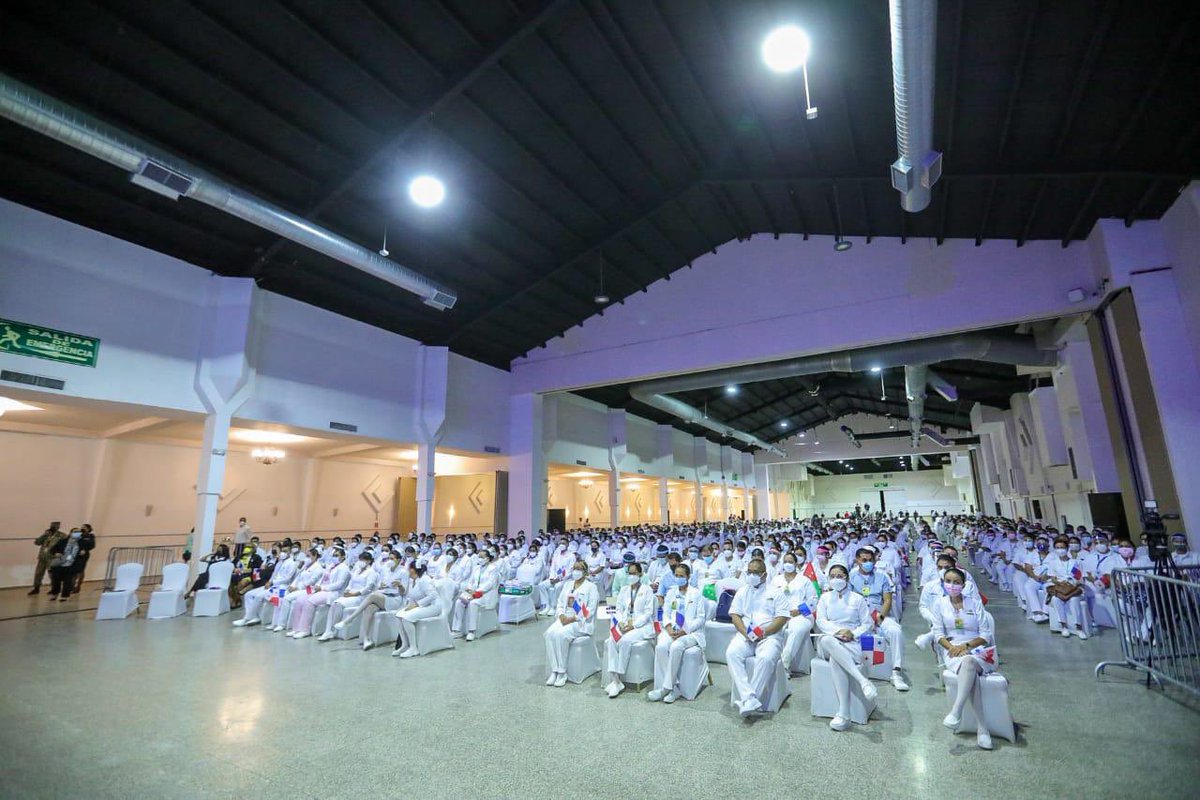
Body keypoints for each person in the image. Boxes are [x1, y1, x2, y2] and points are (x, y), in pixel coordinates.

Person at [932, 568, 997, 750]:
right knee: (969, 669)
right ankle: (982, 729)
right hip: (952, 651)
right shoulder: (939, 604)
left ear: (963, 585)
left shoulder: (975, 603)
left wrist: (966, 647)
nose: (952, 585)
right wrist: (952, 648)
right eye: (948, 581)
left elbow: (986, 635)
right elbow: (938, 634)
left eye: (956, 582)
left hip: (978, 650)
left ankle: (956, 711)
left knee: (969, 661)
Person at [815, 563, 877, 731]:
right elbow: (820, 621)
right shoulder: (824, 598)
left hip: (851, 642)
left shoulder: (857, 598)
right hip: (830, 639)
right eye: (832, 576)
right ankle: (863, 681)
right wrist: (837, 631)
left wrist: (852, 633)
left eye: (840, 576)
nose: (836, 579)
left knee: (836, 660)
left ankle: (843, 713)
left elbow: (867, 623)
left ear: (847, 578)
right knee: (827, 641)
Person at [726, 558, 790, 717]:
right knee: (731, 653)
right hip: (746, 635)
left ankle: (750, 699)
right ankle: (748, 696)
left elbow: (782, 618)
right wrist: (745, 633)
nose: (751, 575)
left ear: (764, 575)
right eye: (749, 572)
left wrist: (764, 633)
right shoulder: (742, 591)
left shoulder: (776, 592)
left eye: (755, 572)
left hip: (770, 636)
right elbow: (735, 615)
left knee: (766, 658)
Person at [848, 547, 910, 690]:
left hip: (878, 614)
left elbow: (887, 600)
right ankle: (854, 669)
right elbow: (848, 600)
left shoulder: (881, 576)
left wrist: (881, 616)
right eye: (864, 560)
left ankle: (896, 672)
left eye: (871, 560)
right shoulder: (851, 576)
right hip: (858, 617)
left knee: (895, 631)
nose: (868, 563)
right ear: (857, 560)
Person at [648, 563, 710, 702]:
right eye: (676, 575)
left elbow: (701, 618)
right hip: (672, 629)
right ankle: (673, 687)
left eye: (681, 576)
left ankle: (666, 689)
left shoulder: (696, 593)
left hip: (691, 632)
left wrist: (685, 630)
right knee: (661, 647)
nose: (678, 578)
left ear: (688, 577)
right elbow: (665, 613)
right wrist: (668, 627)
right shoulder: (671, 592)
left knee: (676, 646)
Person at [335, 549, 409, 650]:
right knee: (369, 608)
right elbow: (379, 585)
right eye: (389, 558)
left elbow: (403, 592)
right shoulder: (385, 570)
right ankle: (366, 639)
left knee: (373, 595)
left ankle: (348, 620)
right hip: (383, 595)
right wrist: (381, 586)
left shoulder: (403, 572)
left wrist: (399, 585)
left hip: (395, 599)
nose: (390, 561)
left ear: (399, 560)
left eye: (392, 559)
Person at [544, 559, 599, 687]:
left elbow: (590, 610)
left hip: (581, 622)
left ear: (585, 572)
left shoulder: (591, 587)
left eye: (579, 569)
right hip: (564, 618)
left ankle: (562, 672)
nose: (576, 571)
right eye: (574, 568)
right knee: (549, 634)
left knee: (561, 635)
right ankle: (555, 670)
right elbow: (559, 603)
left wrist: (574, 618)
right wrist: (561, 615)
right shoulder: (568, 585)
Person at [604, 561, 656, 698]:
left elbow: (648, 613)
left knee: (625, 640)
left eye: (634, 573)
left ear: (640, 574)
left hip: (641, 626)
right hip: (624, 624)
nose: (631, 576)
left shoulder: (647, 590)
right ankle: (615, 680)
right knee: (612, 639)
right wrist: (621, 622)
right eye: (629, 573)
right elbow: (618, 609)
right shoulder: (624, 590)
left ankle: (619, 676)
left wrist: (634, 625)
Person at [288, 546, 351, 640]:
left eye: (336, 555)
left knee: (309, 601)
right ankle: (296, 628)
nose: (334, 557)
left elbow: (339, 584)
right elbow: (322, 579)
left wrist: (322, 588)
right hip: (320, 590)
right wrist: (317, 587)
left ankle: (305, 630)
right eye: (333, 555)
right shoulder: (331, 566)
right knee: (300, 599)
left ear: (342, 557)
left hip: (332, 592)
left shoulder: (344, 568)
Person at [773, 550, 818, 675]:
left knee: (796, 630)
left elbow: (814, 600)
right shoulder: (776, 580)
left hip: (801, 615)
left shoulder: (804, 580)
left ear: (796, 563)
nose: (788, 564)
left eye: (790, 562)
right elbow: (769, 597)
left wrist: (799, 610)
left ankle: (784, 664)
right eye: (785, 562)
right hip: (780, 614)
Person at [317, 551, 379, 641]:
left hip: (361, 597)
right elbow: (350, 583)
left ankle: (332, 630)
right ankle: (328, 631)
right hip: (350, 594)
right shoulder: (357, 570)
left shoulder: (372, 572)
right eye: (360, 559)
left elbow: (368, 587)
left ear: (369, 561)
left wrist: (355, 593)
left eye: (363, 560)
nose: (361, 562)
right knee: (334, 604)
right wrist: (347, 590)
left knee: (338, 603)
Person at [234, 544, 297, 627]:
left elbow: (287, 578)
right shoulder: (280, 562)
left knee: (258, 596)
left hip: (282, 586)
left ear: (290, 552)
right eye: (282, 551)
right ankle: (254, 616)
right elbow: (274, 574)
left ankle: (247, 618)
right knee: (248, 595)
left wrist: (272, 582)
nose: (283, 553)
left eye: (285, 551)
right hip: (271, 584)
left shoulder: (292, 563)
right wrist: (269, 582)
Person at [393, 561, 443, 658]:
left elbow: (432, 596)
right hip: (422, 606)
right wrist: (408, 606)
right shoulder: (413, 581)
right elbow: (412, 597)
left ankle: (413, 648)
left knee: (407, 618)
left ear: (413, 570)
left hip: (433, 607)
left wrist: (416, 604)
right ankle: (405, 644)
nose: (408, 570)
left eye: (409, 568)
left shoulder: (425, 579)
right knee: (398, 615)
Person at [451, 548, 499, 641]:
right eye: (479, 557)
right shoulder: (477, 568)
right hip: (473, 593)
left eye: (482, 557)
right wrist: (470, 590)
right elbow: (471, 581)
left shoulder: (493, 568)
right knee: (459, 602)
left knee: (473, 603)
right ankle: (457, 630)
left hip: (486, 594)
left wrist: (477, 591)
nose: (479, 559)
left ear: (487, 558)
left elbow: (490, 584)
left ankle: (471, 631)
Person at [47, 528, 92, 601]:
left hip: (72, 564)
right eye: (75, 532)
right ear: (70, 533)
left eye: (78, 532)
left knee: (68, 581)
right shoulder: (63, 541)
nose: (77, 533)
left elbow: (90, 547)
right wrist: (56, 553)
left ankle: (65, 595)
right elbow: (53, 550)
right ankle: (54, 593)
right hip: (60, 563)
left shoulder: (83, 542)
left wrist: (84, 552)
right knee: (56, 580)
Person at [30, 521, 65, 595]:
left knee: (52, 575)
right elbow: (37, 542)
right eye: (52, 526)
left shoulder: (62, 536)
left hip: (52, 558)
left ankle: (54, 589)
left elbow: (65, 545)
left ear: (58, 527)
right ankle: (36, 588)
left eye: (55, 526)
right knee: (38, 573)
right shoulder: (47, 534)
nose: (52, 527)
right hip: (42, 557)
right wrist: (44, 535)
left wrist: (60, 553)